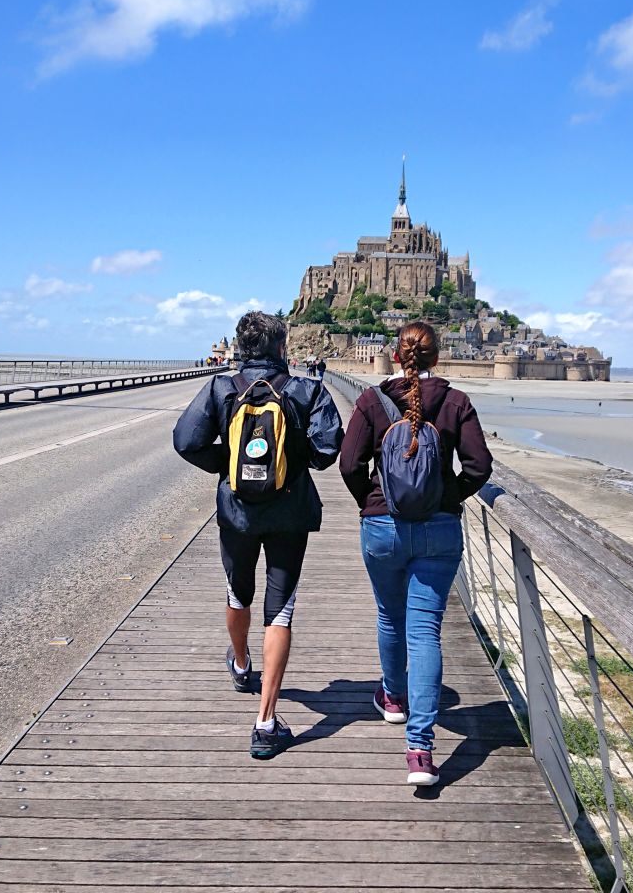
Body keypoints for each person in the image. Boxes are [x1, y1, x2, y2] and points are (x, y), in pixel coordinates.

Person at [173, 311, 344, 759]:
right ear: (281, 347)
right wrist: (290, 460)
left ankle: (242, 663)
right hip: (289, 513)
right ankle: (266, 724)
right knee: (280, 611)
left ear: (240, 347)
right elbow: (328, 450)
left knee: (237, 594)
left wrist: (229, 466)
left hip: (237, 513)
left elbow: (185, 441)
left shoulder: (220, 388)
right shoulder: (307, 390)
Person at [339, 321, 492, 786]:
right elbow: (479, 467)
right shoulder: (456, 401)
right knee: (425, 632)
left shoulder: (371, 401)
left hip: (382, 527)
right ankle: (420, 751)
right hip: (438, 531)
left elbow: (349, 464)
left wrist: (371, 501)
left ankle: (393, 698)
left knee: (389, 616)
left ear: (394, 356)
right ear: (436, 359)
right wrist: (448, 498)